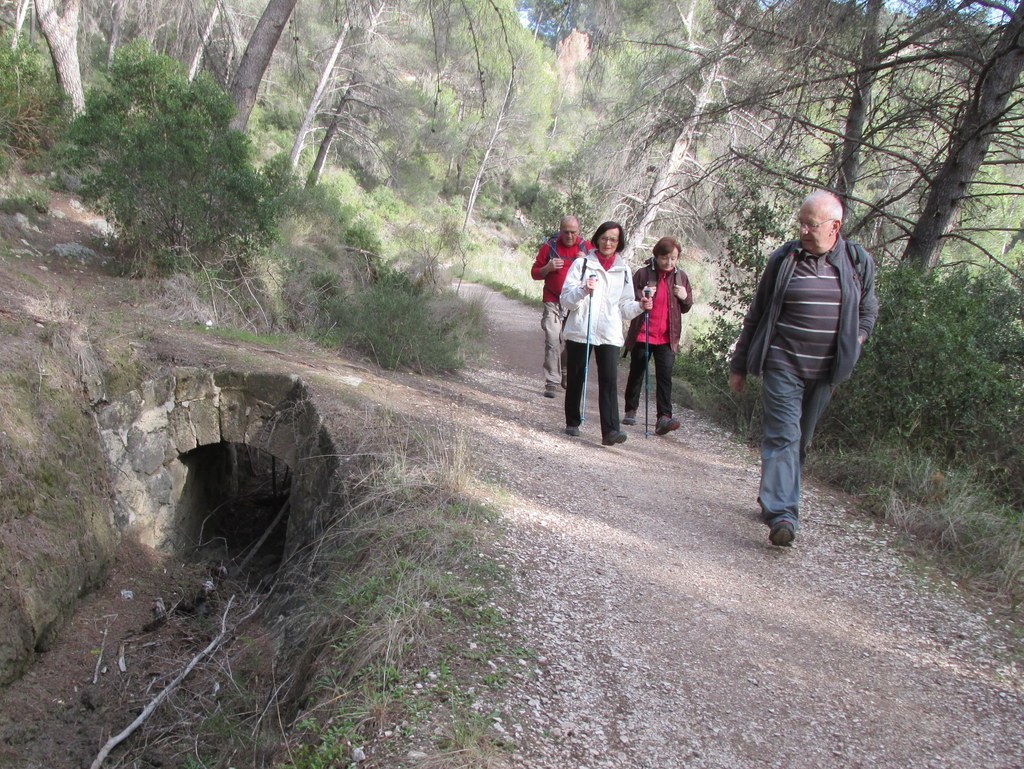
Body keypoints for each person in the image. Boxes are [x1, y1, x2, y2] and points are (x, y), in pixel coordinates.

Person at [729, 190, 879, 547]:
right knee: (784, 435)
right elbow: (758, 312)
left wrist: (855, 342)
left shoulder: (857, 262)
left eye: (811, 225)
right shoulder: (785, 259)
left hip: (828, 370)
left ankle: (773, 498)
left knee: (801, 439)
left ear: (835, 227)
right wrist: (740, 364)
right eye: (801, 223)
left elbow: (869, 312)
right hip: (782, 361)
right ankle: (783, 513)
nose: (803, 231)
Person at [560, 221, 653, 446]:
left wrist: (641, 306)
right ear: (597, 238)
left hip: (609, 333)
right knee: (576, 377)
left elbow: (624, 307)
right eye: (604, 237)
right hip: (582, 329)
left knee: (609, 381)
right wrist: (583, 290)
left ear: (619, 243)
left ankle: (611, 431)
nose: (608, 242)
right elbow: (565, 299)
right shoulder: (582, 264)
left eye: (613, 239)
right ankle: (573, 421)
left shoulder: (623, 271)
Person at [621, 237, 694, 436]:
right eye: (664, 258)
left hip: (667, 336)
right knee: (637, 372)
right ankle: (631, 409)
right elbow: (629, 298)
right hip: (643, 333)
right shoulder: (643, 274)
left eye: (673, 258)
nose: (669, 263)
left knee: (665, 377)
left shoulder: (681, 278)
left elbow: (687, 306)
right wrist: (643, 295)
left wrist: (684, 297)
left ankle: (664, 417)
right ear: (656, 256)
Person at [530, 216, 591, 398]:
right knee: (552, 340)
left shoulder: (586, 248)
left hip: (575, 302)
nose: (569, 236)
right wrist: (547, 268)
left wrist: (585, 261)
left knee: (571, 342)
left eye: (573, 232)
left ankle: (565, 371)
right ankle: (552, 381)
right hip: (553, 300)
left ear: (579, 232)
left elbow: (597, 274)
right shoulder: (550, 247)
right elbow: (535, 273)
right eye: (566, 232)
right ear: (560, 230)